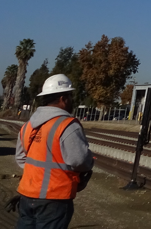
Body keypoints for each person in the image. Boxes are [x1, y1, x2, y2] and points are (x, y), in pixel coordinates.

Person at [14, 74, 94, 229]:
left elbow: (21, 159)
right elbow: (79, 160)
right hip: (54, 198)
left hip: (26, 194)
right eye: (70, 96)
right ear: (63, 98)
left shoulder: (28, 126)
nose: (72, 100)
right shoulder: (67, 125)